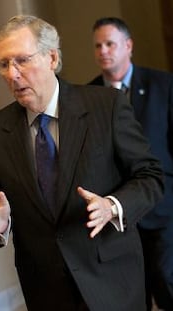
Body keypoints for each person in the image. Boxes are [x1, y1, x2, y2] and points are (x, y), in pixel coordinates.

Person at [0, 15, 164, 310]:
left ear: (51, 57)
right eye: (4, 64)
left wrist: (112, 206)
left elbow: (150, 176)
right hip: (46, 289)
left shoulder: (105, 106)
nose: (13, 74)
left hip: (112, 279)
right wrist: (1, 222)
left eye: (22, 60)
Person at [89, 16, 173, 310]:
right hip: (118, 215)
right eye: (98, 45)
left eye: (110, 43)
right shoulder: (90, 97)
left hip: (163, 207)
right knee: (133, 292)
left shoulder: (163, 85)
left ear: (129, 45)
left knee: (167, 282)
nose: (103, 51)